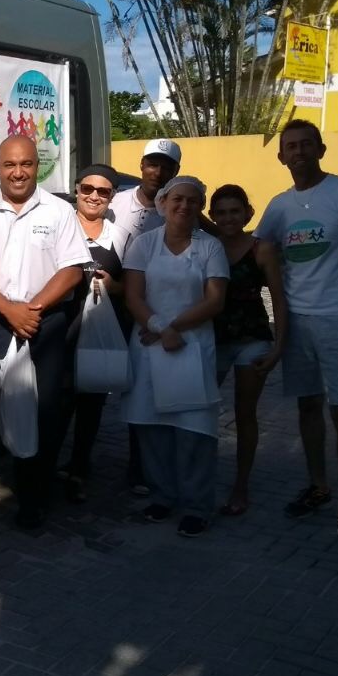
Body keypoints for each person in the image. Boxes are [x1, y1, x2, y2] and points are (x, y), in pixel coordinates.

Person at [254, 119, 338, 550]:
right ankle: (318, 486)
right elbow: (253, 247)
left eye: (306, 144)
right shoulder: (279, 206)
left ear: (321, 149)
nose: (299, 152)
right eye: (291, 146)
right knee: (308, 408)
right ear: (281, 156)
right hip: (297, 323)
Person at [0, 135, 90, 529]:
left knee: (43, 411)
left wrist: (31, 310)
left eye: (25, 164)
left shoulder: (59, 211)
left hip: (45, 325)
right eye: (10, 165)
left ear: (37, 166)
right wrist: (9, 311)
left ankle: (33, 497)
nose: (18, 172)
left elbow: (72, 270)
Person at [121, 176, 228, 538]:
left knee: (194, 430)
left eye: (192, 201)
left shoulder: (210, 247)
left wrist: (171, 328)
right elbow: (133, 296)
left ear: (200, 207)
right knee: (152, 427)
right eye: (177, 199)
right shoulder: (144, 244)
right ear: (163, 203)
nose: (184, 206)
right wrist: (157, 326)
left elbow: (215, 300)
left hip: (191, 348)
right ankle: (162, 496)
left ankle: (198, 506)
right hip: (149, 346)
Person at [208, 185, 287, 517]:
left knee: (244, 414)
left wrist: (279, 346)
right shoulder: (207, 246)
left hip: (252, 339)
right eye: (221, 212)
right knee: (201, 410)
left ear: (248, 214)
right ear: (212, 216)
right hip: (212, 339)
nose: (229, 218)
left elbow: (280, 300)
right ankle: (198, 477)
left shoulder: (261, 248)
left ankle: (241, 485)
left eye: (235, 211)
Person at [110, 137, 183, 496]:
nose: (158, 171)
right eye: (153, 163)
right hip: (113, 305)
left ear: (176, 171)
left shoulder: (176, 207)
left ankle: (141, 466)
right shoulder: (117, 202)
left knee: (146, 388)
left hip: (152, 310)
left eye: (166, 166)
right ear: (141, 166)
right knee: (102, 380)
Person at [58, 164, 125, 503]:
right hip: (60, 331)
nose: (94, 196)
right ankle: (44, 466)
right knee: (57, 404)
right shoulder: (59, 226)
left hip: (98, 332)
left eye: (103, 191)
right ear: (76, 190)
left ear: (112, 196)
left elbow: (135, 286)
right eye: (87, 189)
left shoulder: (121, 237)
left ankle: (79, 469)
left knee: (91, 405)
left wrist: (115, 287)